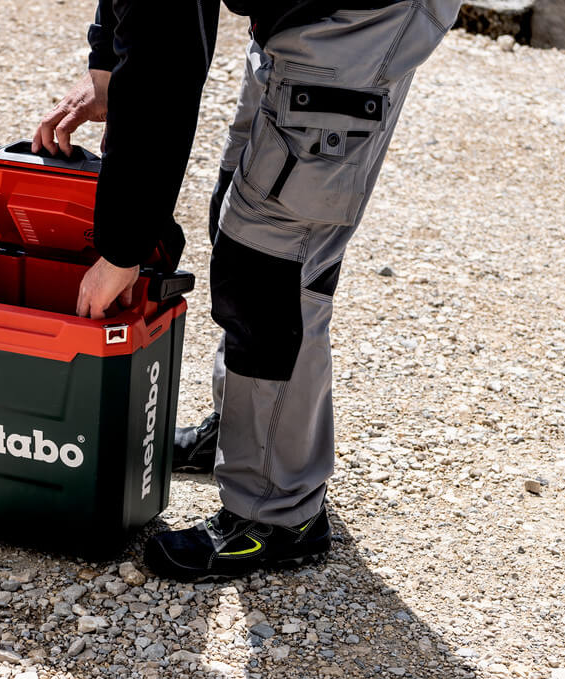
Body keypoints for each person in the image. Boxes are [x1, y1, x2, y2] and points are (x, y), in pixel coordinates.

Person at [34, 0, 461, 581]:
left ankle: (279, 514)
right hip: (294, 10)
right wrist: (106, 67)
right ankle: (244, 435)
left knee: (270, 261)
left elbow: (163, 61)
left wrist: (122, 248)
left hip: (361, 10)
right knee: (238, 209)